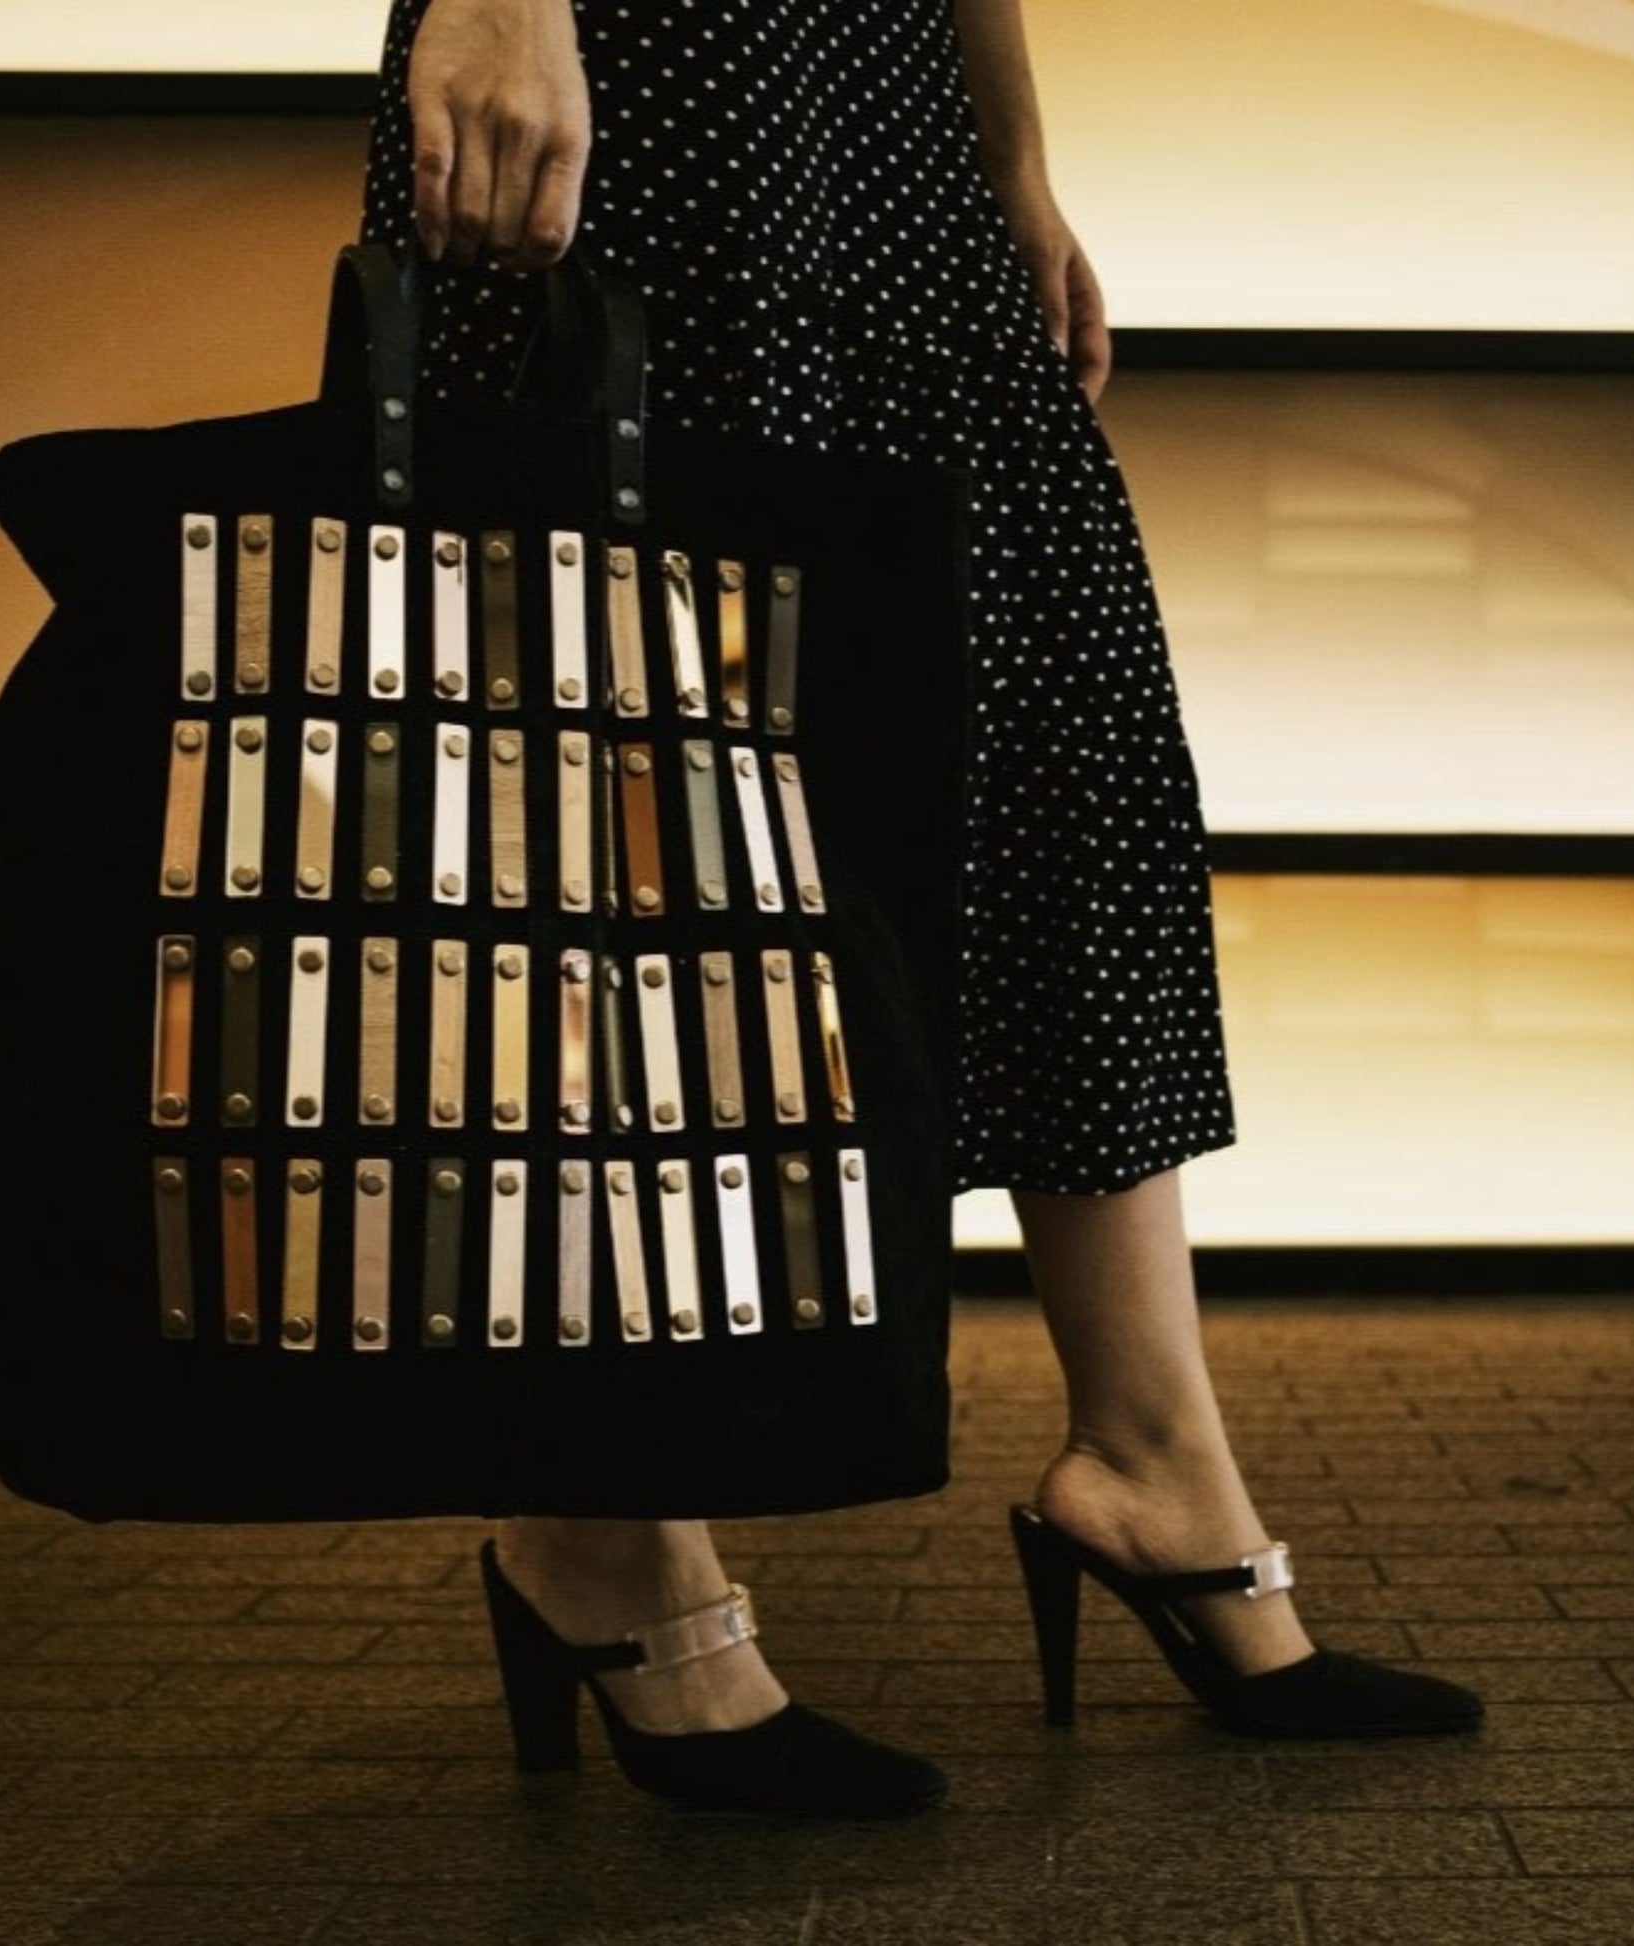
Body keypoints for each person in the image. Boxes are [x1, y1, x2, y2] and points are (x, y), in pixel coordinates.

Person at [359, 0, 1483, 1815]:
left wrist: (1009, 152)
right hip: (654, 79)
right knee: (625, 788)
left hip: (883, 105)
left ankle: (1155, 1462)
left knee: (1050, 743)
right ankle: (604, 1528)